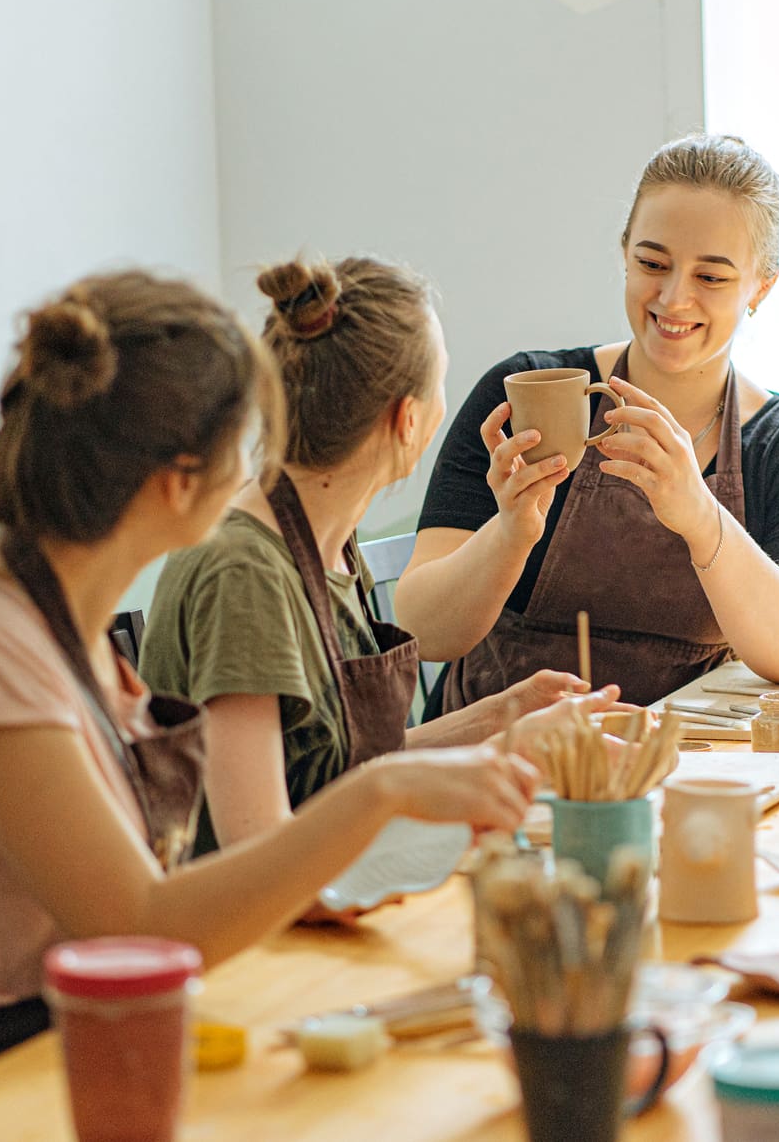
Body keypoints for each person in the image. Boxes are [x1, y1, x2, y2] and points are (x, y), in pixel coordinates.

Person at [0, 272, 538, 1137]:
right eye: (244, 442)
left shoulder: (69, 637)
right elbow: (135, 922)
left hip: (77, 1060)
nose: (257, 468)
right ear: (177, 479)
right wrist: (382, 791)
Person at [139, 258, 618, 860]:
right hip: (262, 937)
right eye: (440, 384)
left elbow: (344, 771)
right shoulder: (243, 573)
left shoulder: (326, 541)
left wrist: (502, 715)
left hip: (339, 883)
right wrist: (497, 752)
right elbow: (256, 847)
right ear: (407, 419)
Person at [397, 134, 779, 713]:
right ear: (624, 252)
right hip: (495, 764)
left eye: (711, 278)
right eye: (652, 263)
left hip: (688, 762)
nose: (673, 297)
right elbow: (425, 634)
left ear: (761, 286)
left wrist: (697, 513)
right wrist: (512, 530)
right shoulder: (525, 396)